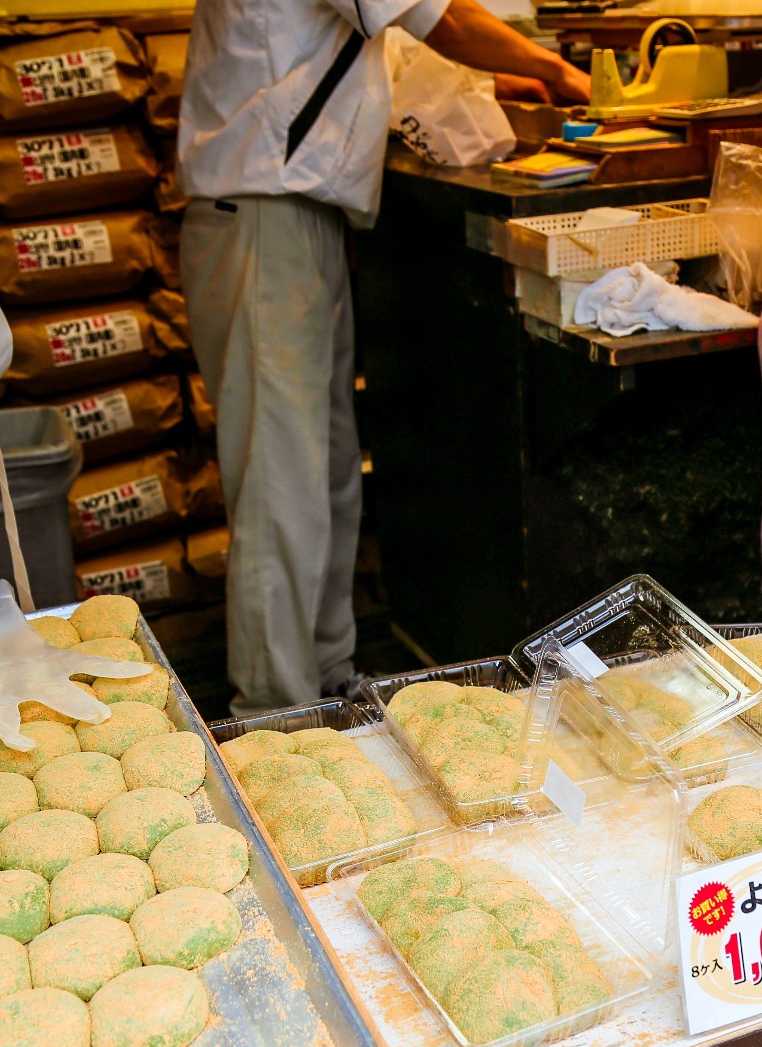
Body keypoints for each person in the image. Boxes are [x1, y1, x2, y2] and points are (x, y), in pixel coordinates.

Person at [181, 0, 589, 713]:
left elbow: (378, 51)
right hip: (262, 214)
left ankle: (328, 676)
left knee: (324, 467)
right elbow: (439, 19)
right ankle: (276, 715)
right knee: (283, 481)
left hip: (292, 213)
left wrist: (501, 81)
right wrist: (555, 68)